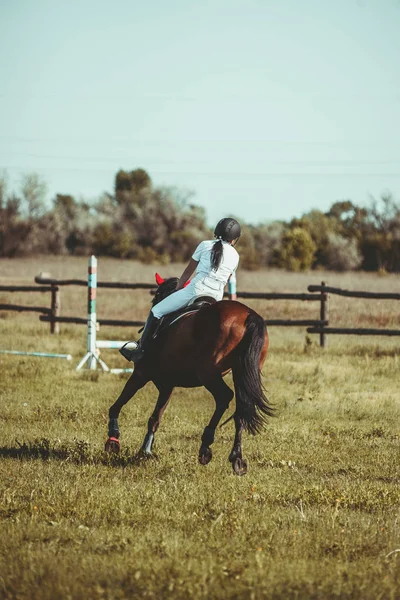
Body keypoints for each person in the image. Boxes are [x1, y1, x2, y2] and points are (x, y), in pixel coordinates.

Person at [120, 217, 241, 363]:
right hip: (216, 297)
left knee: (156, 310)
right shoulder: (236, 256)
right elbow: (226, 280)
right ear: (234, 239)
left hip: (195, 291)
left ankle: (141, 350)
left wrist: (178, 289)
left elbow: (187, 273)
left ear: (217, 232)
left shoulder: (205, 245)